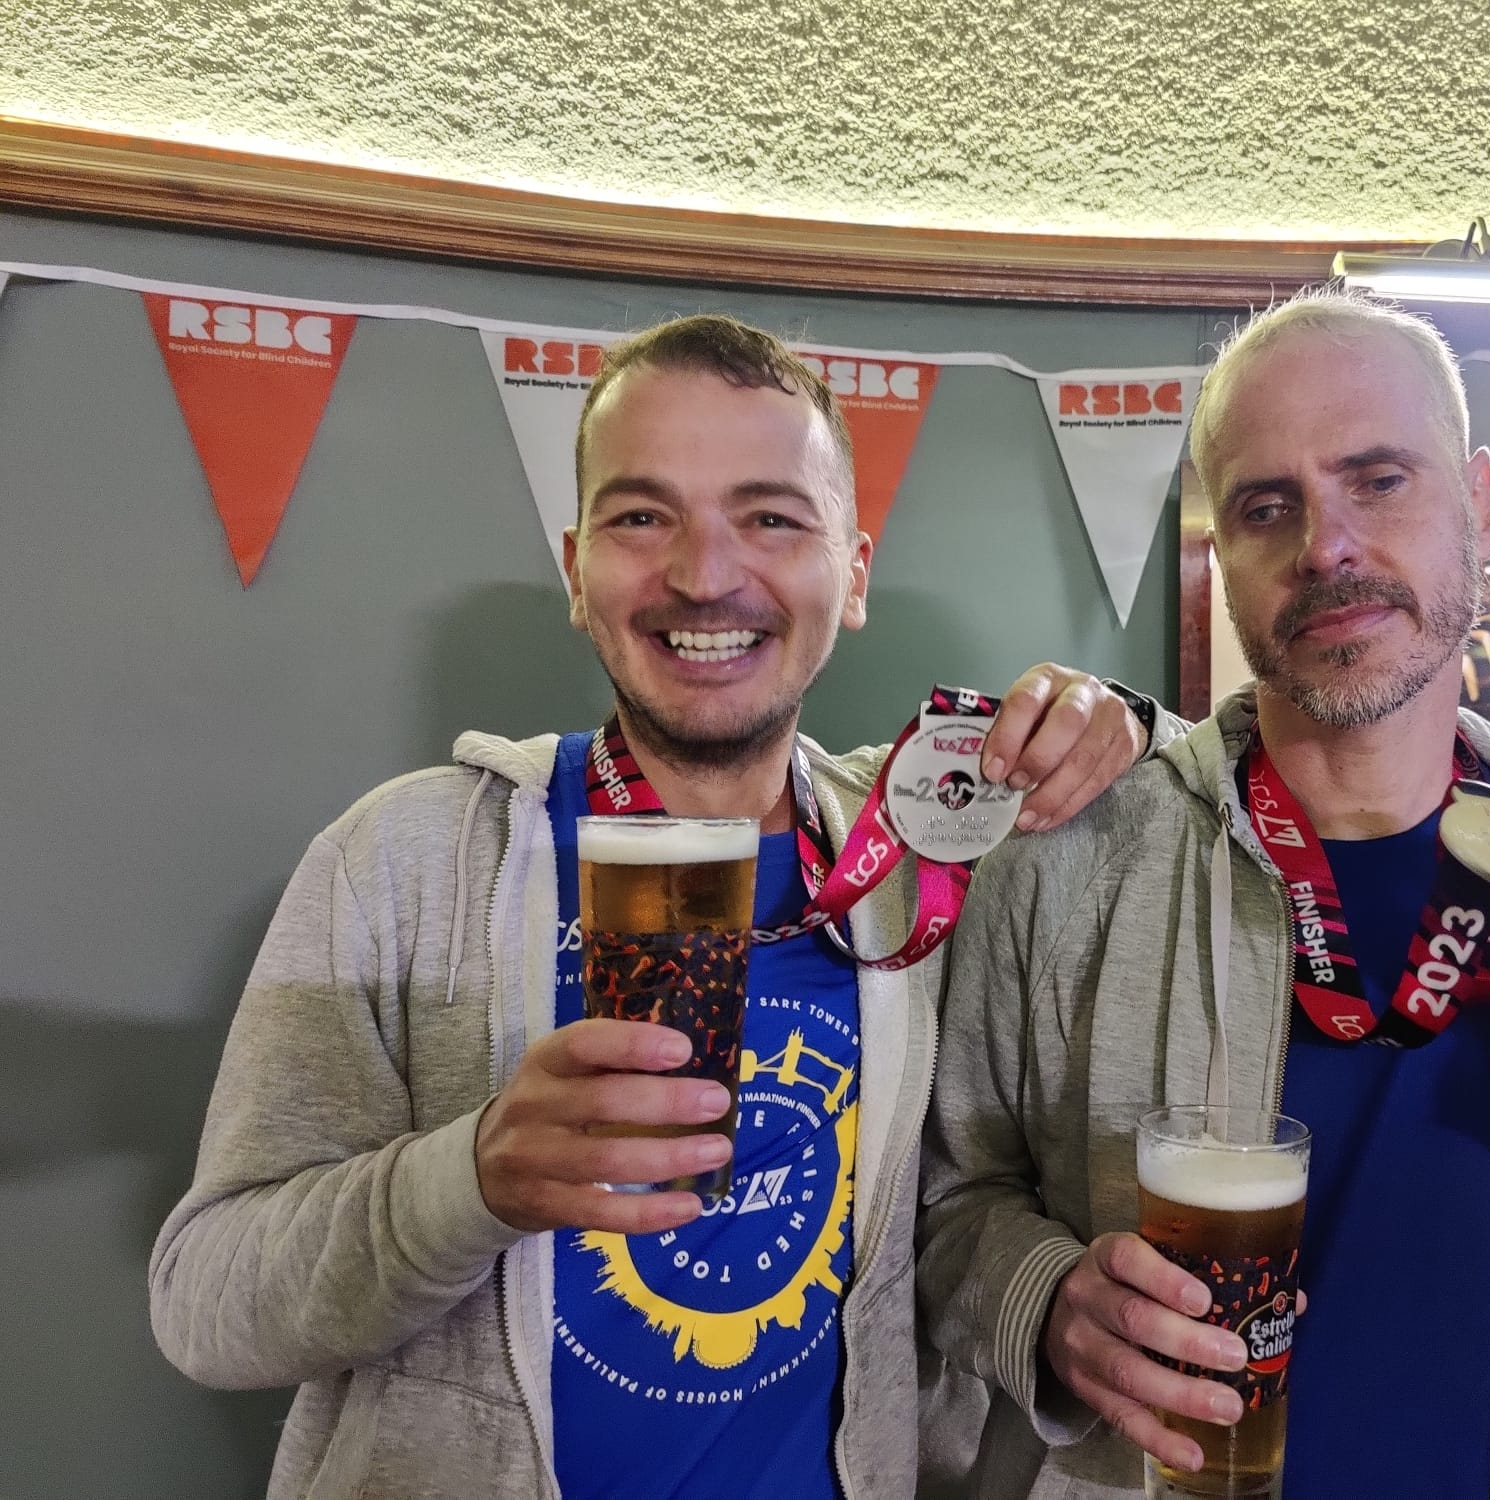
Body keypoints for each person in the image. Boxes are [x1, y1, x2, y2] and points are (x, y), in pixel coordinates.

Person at [149, 314, 1170, 1500]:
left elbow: (948, 1214)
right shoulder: (402, 858)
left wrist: (1123, 719)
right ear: (577, 569)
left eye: (772, 517)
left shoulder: (920, 859)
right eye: (642, 517)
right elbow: (203, 1303)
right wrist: (467, 1180)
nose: (703, 572)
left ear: (852, 574)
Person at [916, 288, 1490, 1498]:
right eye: (1266, 505)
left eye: (1379, 479)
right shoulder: (1066, 852)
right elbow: (948, 1198)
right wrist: (1042, 1303)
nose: (1325, 546)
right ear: (1220, 554)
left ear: (1481, 508)